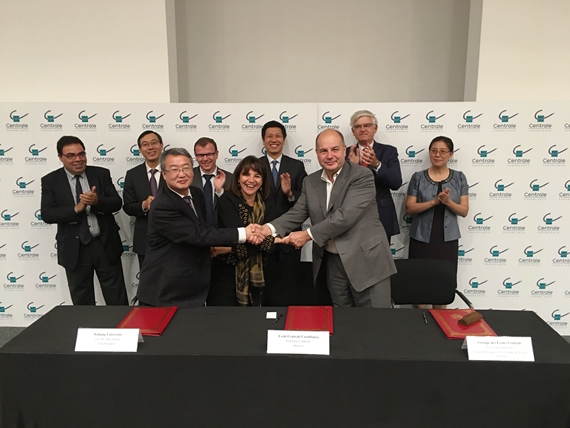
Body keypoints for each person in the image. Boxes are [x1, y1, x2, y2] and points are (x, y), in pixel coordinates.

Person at [258, 129, 396, 308]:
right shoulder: (310, 181)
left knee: (373, 319)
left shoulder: (362, 176)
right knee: (341, 318)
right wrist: (267, 229)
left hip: (366, 261)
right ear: (316, 153)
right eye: (323, 151)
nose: (329, 156)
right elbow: (297, 212)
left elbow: (345, 217)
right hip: (332, 263)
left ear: (344, 150)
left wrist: (307, 235)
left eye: (335, 149)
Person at [136, 148, 259, 308]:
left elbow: (201, 228)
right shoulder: (162, 205)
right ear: (164, 174)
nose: (181, 174)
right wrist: (244, 232)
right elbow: (198, 235)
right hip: (166, 291)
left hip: (192, 285)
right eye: (174, 169)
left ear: (193, 170)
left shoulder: (196, 193)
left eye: (186, 168)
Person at [40, 135, 128, 305]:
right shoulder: (51, 180)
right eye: (71, 155)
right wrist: (76, 208)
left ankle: (121, 323)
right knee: (82, 302)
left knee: (116, 297)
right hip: (75, 250)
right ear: (60, 157)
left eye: (81, 154)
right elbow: (47, 214)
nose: (78, 159)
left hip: (104, 244)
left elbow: (116, 203)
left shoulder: (101, 174)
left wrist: (97, 202)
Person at [405, 136, 469, 309]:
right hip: (421, 239)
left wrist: (448, 202)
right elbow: (409, 208)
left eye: (442, 151)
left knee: (442, 286)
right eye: (434, 151)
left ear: (450, 154)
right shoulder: (418, 177)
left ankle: (440, 322)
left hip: (447, 241)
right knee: (419, 285)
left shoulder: (459, 178)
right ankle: (420, 322)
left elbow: (464, 210)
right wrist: (433, 202)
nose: (437, 155)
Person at [207, 156, 276, 306]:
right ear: (238, 178)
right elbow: (240, 238)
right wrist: (268, 240)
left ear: (263, 180)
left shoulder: (268, 202)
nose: (251, 180)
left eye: (257, 176)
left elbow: (270, 245)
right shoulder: (227, 200)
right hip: (226, 275)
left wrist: (227, 249)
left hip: (260, 276)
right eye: (246, 174)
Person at [258, 120, 308, 306]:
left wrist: (289, 193)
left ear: (284, 140)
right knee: (265, 285)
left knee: (289, 283)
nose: (274, 140)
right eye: (269, 136)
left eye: (278, 136)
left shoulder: (296, 166)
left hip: (290, 235)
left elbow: (306, 199)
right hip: (262, 235)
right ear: (263, 140)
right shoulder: (255, 166)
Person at [345, 110, 402, 241]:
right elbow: (338, 186)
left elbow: (396, 183)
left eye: (367, 125)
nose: (362, 129)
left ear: (375, 128)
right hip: (352, 215)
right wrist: (353, 169)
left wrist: (377, 164)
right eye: (358, 126)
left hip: (380, 215)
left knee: (380, 253)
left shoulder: (389, 151)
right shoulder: (345, 153)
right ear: (353, 131)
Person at [122, 131, 165, 269]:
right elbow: (128, 206)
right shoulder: (132, 175)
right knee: (148, 279)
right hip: (145, 239)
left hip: (172, 237)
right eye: (145, 144)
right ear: (140, 150)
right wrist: (144, 205)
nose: (150, 147)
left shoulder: (172, 170)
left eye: (154, 143)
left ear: (161, 145)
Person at [191, 137, 233, 227]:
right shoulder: (188, 178)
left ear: (216, 154)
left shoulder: (230, 178)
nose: (205, 159)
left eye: (209, 154)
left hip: (223, 232)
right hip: (195, 232)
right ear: (195, 156)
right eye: (200, 155)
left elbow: (233, 209)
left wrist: (220, 191)